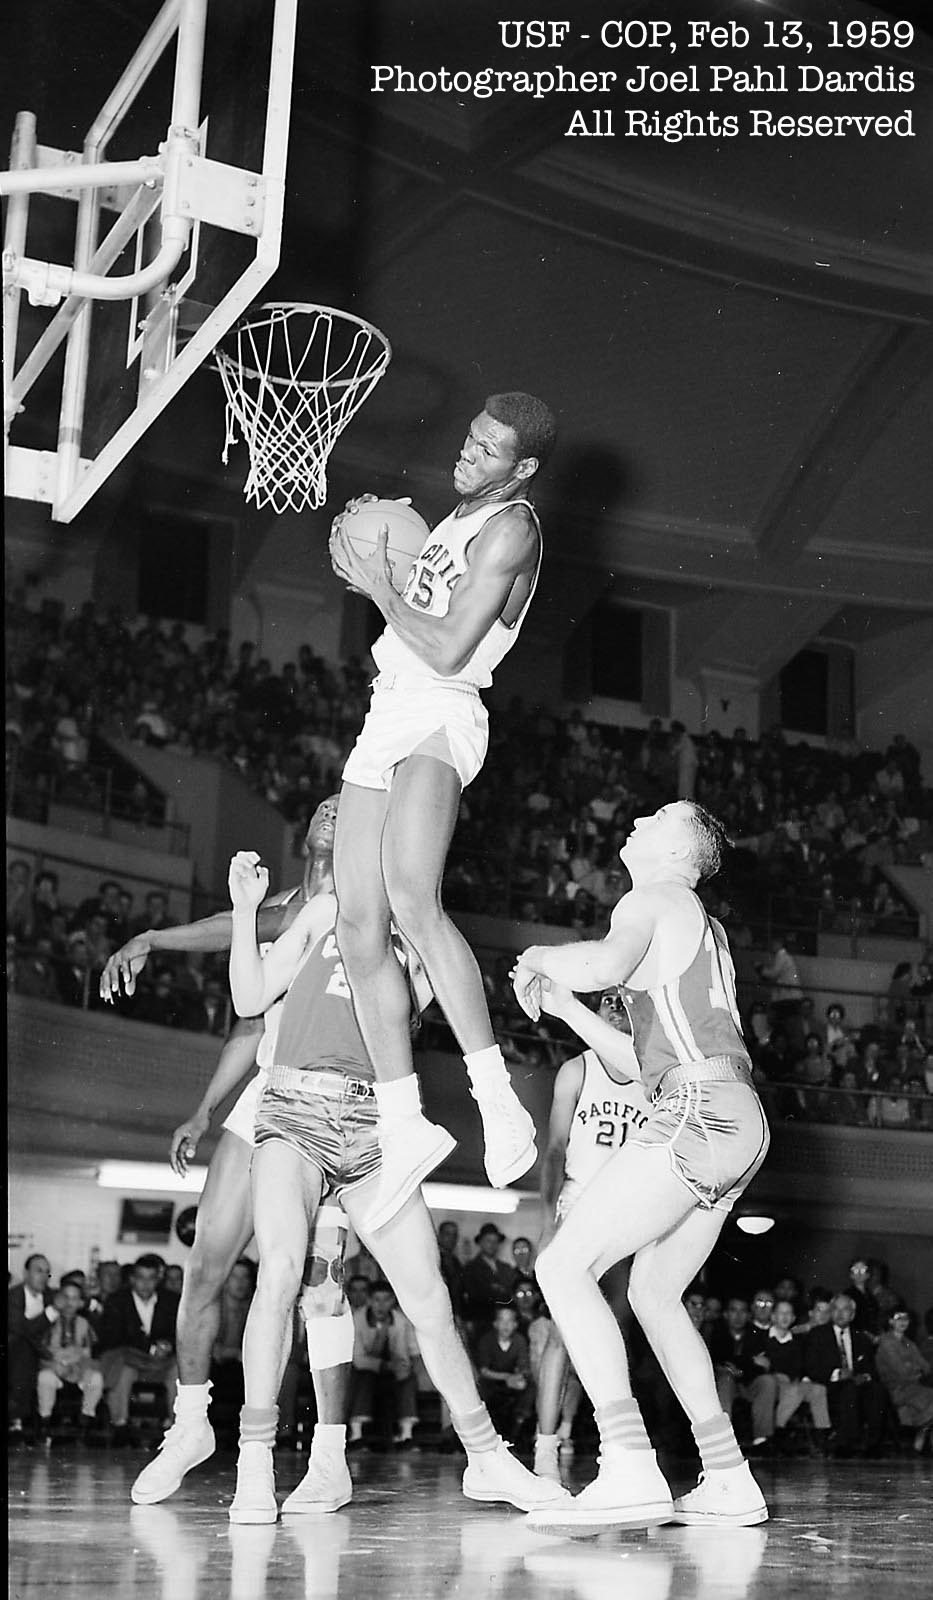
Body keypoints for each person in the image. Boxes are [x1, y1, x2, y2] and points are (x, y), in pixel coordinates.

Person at [224, 842, 568, 1524]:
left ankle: (486, 1458)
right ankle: (254, 1465)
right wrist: (243, 912)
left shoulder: (420, 939)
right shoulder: (323, 910)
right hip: (294, 1108)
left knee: (429, 1298)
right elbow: (248, 995)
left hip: (375, 1120)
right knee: (281, 1274)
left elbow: (403, 1015)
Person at [328, 392, 558, 1229]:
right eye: (469, 438)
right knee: (356, 922)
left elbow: (451, 646)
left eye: (488, 450)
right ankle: (403, 1122)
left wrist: (380, 583)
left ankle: (497, 1100)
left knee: (410, 898)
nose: (467, 453)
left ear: (521, 468)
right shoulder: (457, 516)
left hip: (441, 705)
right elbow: (415, 606)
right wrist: (382, 547)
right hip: (390, 702)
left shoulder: (512, 528)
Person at [512, 800, 770, 1531]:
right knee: (655, 1296)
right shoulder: (699, 926)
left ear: (680, 851)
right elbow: (637, 1061)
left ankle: (627, 1465)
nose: (635, 824)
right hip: (732, 1116)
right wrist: (567, 1009)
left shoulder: (653, 896)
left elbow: (601, 964)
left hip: (698, 1112)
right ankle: (728, 1477)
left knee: (562, 1268)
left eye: (656, 818)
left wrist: (538, 958)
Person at [102, 799, 358, 1510]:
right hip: (268, 1094)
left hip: (339, 1099)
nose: (332, 811)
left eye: (345, 807)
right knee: (204, 1266)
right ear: (304, 833)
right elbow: (249, 1023)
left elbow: (228, 929)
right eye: (323, 805)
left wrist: (158, 937)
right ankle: (191, 1424)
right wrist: (206, 1107)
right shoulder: (278, 907)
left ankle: (329, 1455)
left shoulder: (365, 903)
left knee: (320, 1289)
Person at [533, 987, 650, 1482]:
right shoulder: (577, 1070)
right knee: (562, 1333)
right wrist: (548, 1221)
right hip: (579, 1204)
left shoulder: (652, 1076)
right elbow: (555, 1149)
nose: (616, 1008)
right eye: (607, 1000)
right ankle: (544, 1447)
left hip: (627, 1213)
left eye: (625, 1001)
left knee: (613, 1334)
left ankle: (615, 1447)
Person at [96, 1256, 180, 1443]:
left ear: (158, 1280)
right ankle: (120, 1423)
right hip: (131, 1358)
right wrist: (150, 1347)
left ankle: (176, 1424)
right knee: (121, 1369)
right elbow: (113, 1337)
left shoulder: (170, 1300)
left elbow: (179, 1332)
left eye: (151, 1278)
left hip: (161, 1361)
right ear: (132, 1279)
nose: (146, 1284)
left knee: (178, 1369)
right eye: (141, 1278)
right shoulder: (117, 1301)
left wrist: (168, 1345)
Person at [803, 1293, 886, 1457]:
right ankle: (846, 1443)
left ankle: (873, 1445)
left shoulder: (861, 1338)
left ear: (853, 1314)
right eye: (836, 1309)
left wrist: (865, 1376)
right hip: (829, 1385)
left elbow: (870, 1368)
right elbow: (810, 1367)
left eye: (845, 1309)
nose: (840, 1313)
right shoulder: (817, 1334)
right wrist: (837, 1374)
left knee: (877, 1390)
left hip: (857, 1384)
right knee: (848, 1389)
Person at [37, 1280, 104, 1439]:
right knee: (45, 1378)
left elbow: (87, 1353)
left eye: (74, 1298)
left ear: (81, 1303)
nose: (69, 1302)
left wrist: (75, 1365)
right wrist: (58, 1364)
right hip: (54, 1368)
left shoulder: (84, 1323)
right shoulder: (49, 1321)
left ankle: (85, 1419)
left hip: (78, 1370)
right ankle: (45, 1420)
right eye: (65, 1297)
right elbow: (43, 1351)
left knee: (96, 1379)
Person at [8, 1255, 59, 1438]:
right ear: (26, 1273)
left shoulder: (51, 1296)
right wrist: (51, 1312)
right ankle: (16, 1420)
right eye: (39, 1271)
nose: (44, 1276)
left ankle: (19, 1421)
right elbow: (21, 1330)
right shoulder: (13, 1296)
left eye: (47, 1272)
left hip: (43, 1351)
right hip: (17, 1352)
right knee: (22, 1348)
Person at [873, 1307, 933, 1452]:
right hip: (896, 1389)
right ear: (890, 1321)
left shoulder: (908, 1343)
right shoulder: (887, 1342)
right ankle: (921, 1433)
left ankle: (922, 1433)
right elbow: (900, 1371)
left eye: (906, 1318)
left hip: (913, 1386)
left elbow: (925, 1367)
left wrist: (913, 1368)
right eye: (898, 1318)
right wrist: (915, 1369)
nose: (903, 1322)